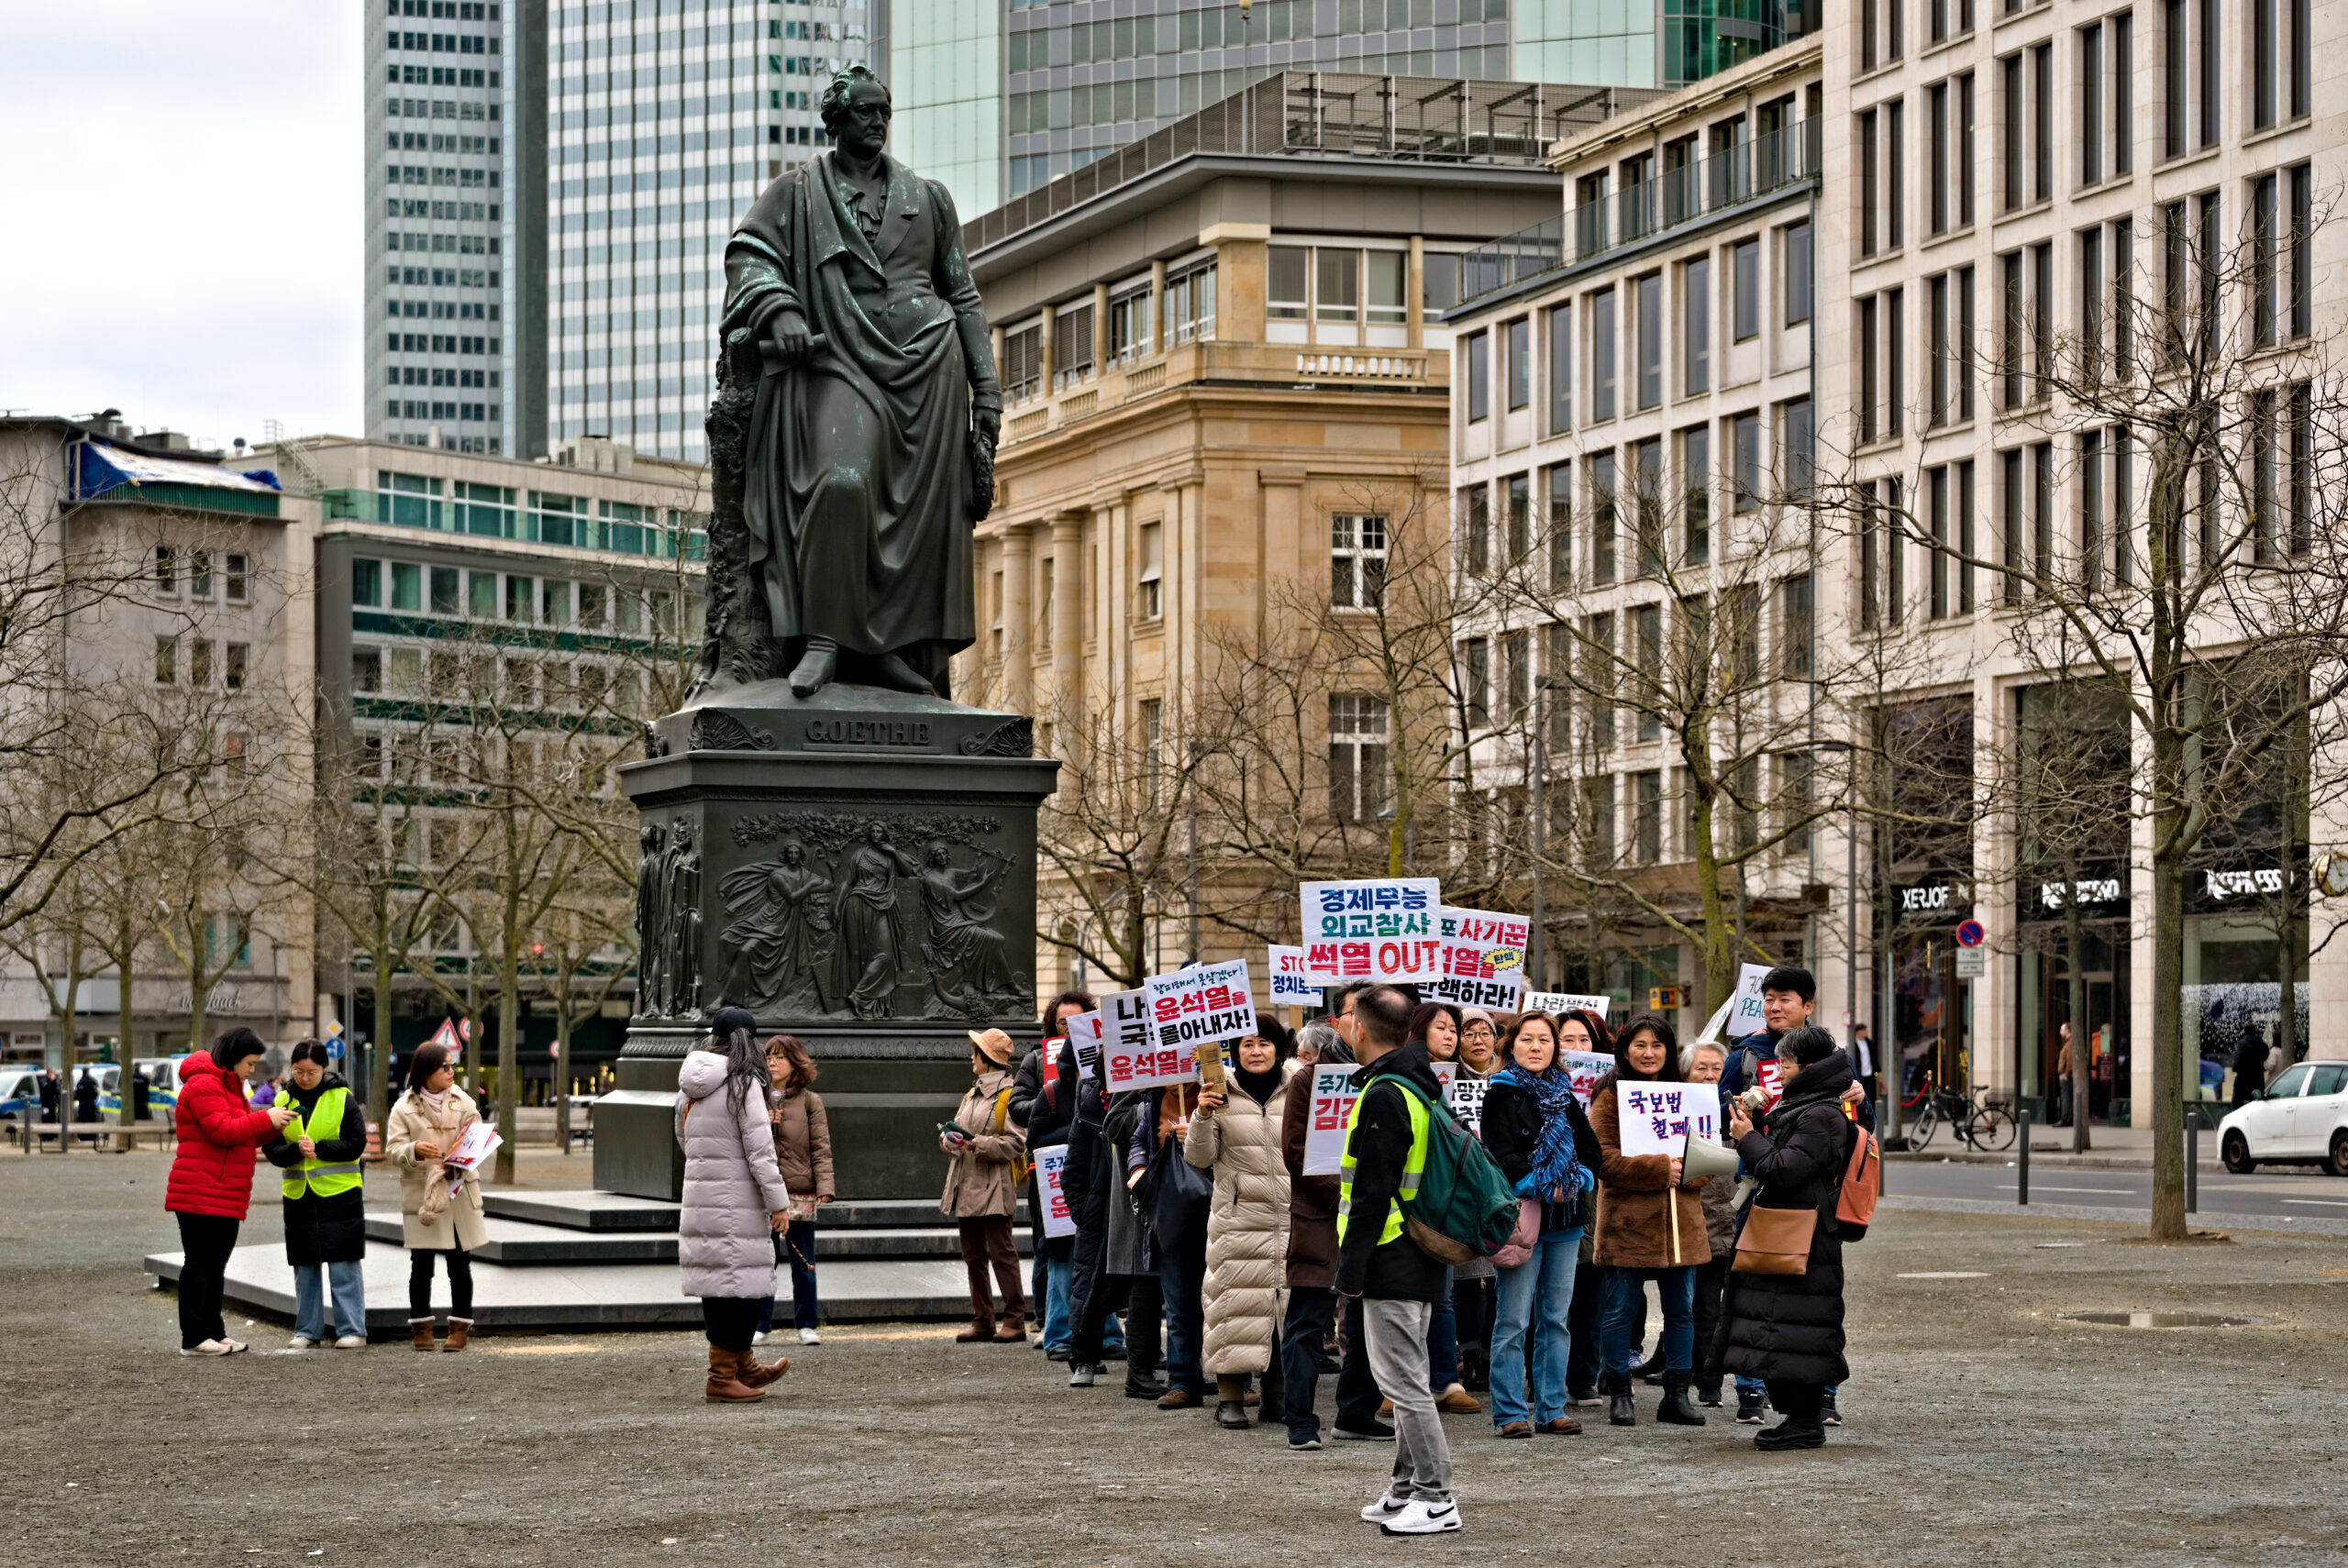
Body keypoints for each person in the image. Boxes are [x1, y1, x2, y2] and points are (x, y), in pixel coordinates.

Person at [1337, 985, 1462, 1536]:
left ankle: (1437, 1498)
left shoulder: (1386, 1092)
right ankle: (1405, 1490)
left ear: (1360, 1029)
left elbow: (1370, 1193)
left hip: (1390, 1254)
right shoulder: (1417, 1085)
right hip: (1419, 1250)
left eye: (1345, 1017)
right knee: (1406, 1378)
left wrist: (1350, 1270)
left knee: (1405, 1383)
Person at [1719, 1026, 1858, 1452]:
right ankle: (1798, 1419)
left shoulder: (1822, 1115)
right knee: (1780, 1328)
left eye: (1786, 1064)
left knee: (1799, 1331)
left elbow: (1783, 1169)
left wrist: (1748, 1139)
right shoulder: (1808, 1105)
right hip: (1792, 1233)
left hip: (1803, 1238)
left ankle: (1804, 1420)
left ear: (1809, 1068)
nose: (1780, 1071)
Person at [1480, 1010, 1600, 1438]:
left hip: (1567, 1218)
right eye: (1527, 1039)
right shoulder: (1499, 1093)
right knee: (1512, 1321)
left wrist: (1581, 1178)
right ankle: (1510, 1412)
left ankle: (1551, 1408)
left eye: (1544, 1040)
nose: (1536, 1047)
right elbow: (1498, 1153)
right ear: (1511, 1045)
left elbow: (1590, 1148)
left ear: (1555, 1048)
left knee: (1555, 1318)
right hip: (1524, 1217)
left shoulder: (1564, 1094)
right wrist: (1541, 1183)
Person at [1589, 1012, 1710, 1428]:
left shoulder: (1688, 1093)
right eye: (1640, 1044)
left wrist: (1691, 1172)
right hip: (1628, 1223)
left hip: (1682, 1224)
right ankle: (1620, 1394)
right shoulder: (1609, 1094)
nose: (1649, 1053)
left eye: (1657, 1045)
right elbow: (1601, 1157)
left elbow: (1709, 1153)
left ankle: (1677, 1395)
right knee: (1620, 1312)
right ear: (1624, 1050)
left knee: (1682, 1313)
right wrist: (1660, 1169)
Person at [675, 1008, 794, 1402]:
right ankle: (722, 1377)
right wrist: (778, 1203)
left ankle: (742, 1364)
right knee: (743, 1288)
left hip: (702, 1199)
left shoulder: (691, 1086)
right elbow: (761, 1153)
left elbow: (684, 1139)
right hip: (739, 1202)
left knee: (721, 1287)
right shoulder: (744, 1084)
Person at [1277, 1017, 1385, 1451]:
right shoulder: (1309, 1079)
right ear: (1345, 1025)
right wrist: (1348, 1197)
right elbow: (1297, 1151)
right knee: (1306, 1320)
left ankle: (1357, 1412)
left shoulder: (1385, 1079)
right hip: (1321, 1215)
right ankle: (1300, 1419)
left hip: (1373, 1218)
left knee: (1367, 1323)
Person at [1185, 1021, 1294, 1429]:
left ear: (1279, 1049)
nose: (1256, 1051)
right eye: (1247, 1044)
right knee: (1232, 1307)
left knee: (1283, 1308)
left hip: (1288, 1217)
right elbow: (1199, 1157)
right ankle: (1229, 1396)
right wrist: (1200, 1114)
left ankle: (1276, 1395)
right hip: (1238, 1219)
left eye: (1265, 1043)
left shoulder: (1299, 1087)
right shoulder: (1218, 1090)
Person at [164, 1027, 296, 1355]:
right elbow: (222, 1131)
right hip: (200, 1189)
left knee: (215, 1265)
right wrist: (265, 1118)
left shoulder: (230, 1085)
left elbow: (242, 1135)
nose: (253, 1070)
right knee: (200, 1263)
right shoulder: (204, 1083)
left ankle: (213, 1331)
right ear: (234, 1058)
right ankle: (193, 1337)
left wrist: (271, 1126)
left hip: (223, 1191)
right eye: (249, 1063)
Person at [262, 1040, 369, 1349]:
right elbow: (271, 1147)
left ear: (324, 1069)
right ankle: (307, 1331)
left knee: (343, 1261)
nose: (304, 1077)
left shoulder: (342, 1097)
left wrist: (319, 1149)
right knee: (304, 1263)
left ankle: (352, 1330)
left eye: (311, 1071)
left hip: (340, 1192)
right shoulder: (282, 1099)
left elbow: (356, 1143)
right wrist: (296, 1150)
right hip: (299, 1193)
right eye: (298, 1071)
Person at [384, 1043, 488, 1353]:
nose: (451, 1071)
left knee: (460, 1265)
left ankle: (459, 1329)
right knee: (421, 1266)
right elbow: (392, 1151)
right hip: (424, 1195)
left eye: (451, 1064)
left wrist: (460, 1158)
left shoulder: (465, 1101)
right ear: (426, 1072)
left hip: (457, 1190)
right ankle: (422, 1329)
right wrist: (414, 1150)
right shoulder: (403, 1108)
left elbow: (478, 1139)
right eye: (444, 1066)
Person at [1013, 991, 1093, 1355]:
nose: (1072, 1030)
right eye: (1064, 1023)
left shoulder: (1104, 1080)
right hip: (1052, 1180)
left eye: (1079, 1022)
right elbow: (1019, 1110)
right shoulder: (1036, 1062)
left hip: (1096, 1181)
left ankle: (1102, 1333)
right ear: (1053, 1024)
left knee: (1093, 1255)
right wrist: (1056, 1100)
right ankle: (1052, 1326)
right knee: (1055, 1252)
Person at [940, 1026, 1027, 1343]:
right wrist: (948, 1140)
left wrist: (977, 1144)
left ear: (987, 1058)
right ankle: (983, 1319)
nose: (971, 1057)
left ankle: (1015, 1320)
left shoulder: (1009, 1095)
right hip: (966, 1182)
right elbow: (959, 1130)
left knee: (1001, 1252)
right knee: (973, 1254)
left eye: (975, 1051)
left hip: (994, 1185)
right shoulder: (971, 1093)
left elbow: (1017, 1144)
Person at [1131, 1073, 1209, 1408]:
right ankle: (1183, 1380)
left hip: (1215, 1207)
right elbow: (1137, 1140)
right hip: (1171, 1212)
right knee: (1178, 1304)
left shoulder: (1216, 1095)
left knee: (1225, 1301)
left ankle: (1237, 1379)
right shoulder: (1150, 1101)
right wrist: (1137, 1168)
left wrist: (1196, 1134)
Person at [754, 1033, 833, 1348]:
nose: (772, 1062)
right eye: (768, 1057)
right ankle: (760, 1324)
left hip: (799, 1192)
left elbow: (821, 1148)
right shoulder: (754, 1098)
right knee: (763, 1262)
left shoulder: (811, 1101)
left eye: (779, 1057)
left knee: (804, 1262)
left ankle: (807, 1323)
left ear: (794, 1062)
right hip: (763, 1194)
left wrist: (825, 1187)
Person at [1556, 1008, 1615, 1405]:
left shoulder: (1612, 1088)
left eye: (1585, 1041)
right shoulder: (1536, 1086)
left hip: (1595, 1193)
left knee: (1591, 1291)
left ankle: (1582, 1377)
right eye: (1568, 1041)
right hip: (1553, 1193)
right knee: (1551, 1294)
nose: (1578, 1049)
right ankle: (1541, 1377)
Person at [1682, 1039, 1738, 1409]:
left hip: (1728, 1226)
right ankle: (1694, 1381)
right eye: (1700, 1068)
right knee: (1691, 1309)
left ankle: (1717, 1383)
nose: (1709, 1074)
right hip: (1688, 1227)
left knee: (1720, 1310)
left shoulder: (1739, 1112)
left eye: (1717, 1068)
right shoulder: (1673, 1112)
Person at [1449, 1007, 1500, 1396]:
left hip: (1499, 1188)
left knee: (1497, 1278)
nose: (1478, 1040)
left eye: (1485, 1033)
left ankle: (1488, 1355)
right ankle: (1468, 1357)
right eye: (1469, 1034)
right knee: (1466, 1279)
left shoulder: (1507, 1080)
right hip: (1458, 1190)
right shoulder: (1443, 1081)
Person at [2232, 1021, 2267, 1108]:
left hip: (2243, 1082)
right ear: (2255, 1030)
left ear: (2244, 1031)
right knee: (2257, 1106)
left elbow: (2237, 1063)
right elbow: (2266, 1055)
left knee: (2236, 1105)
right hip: (2258, 1081)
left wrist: (2235, 1068)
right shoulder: (2262, 1044)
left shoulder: (2242, 1043)